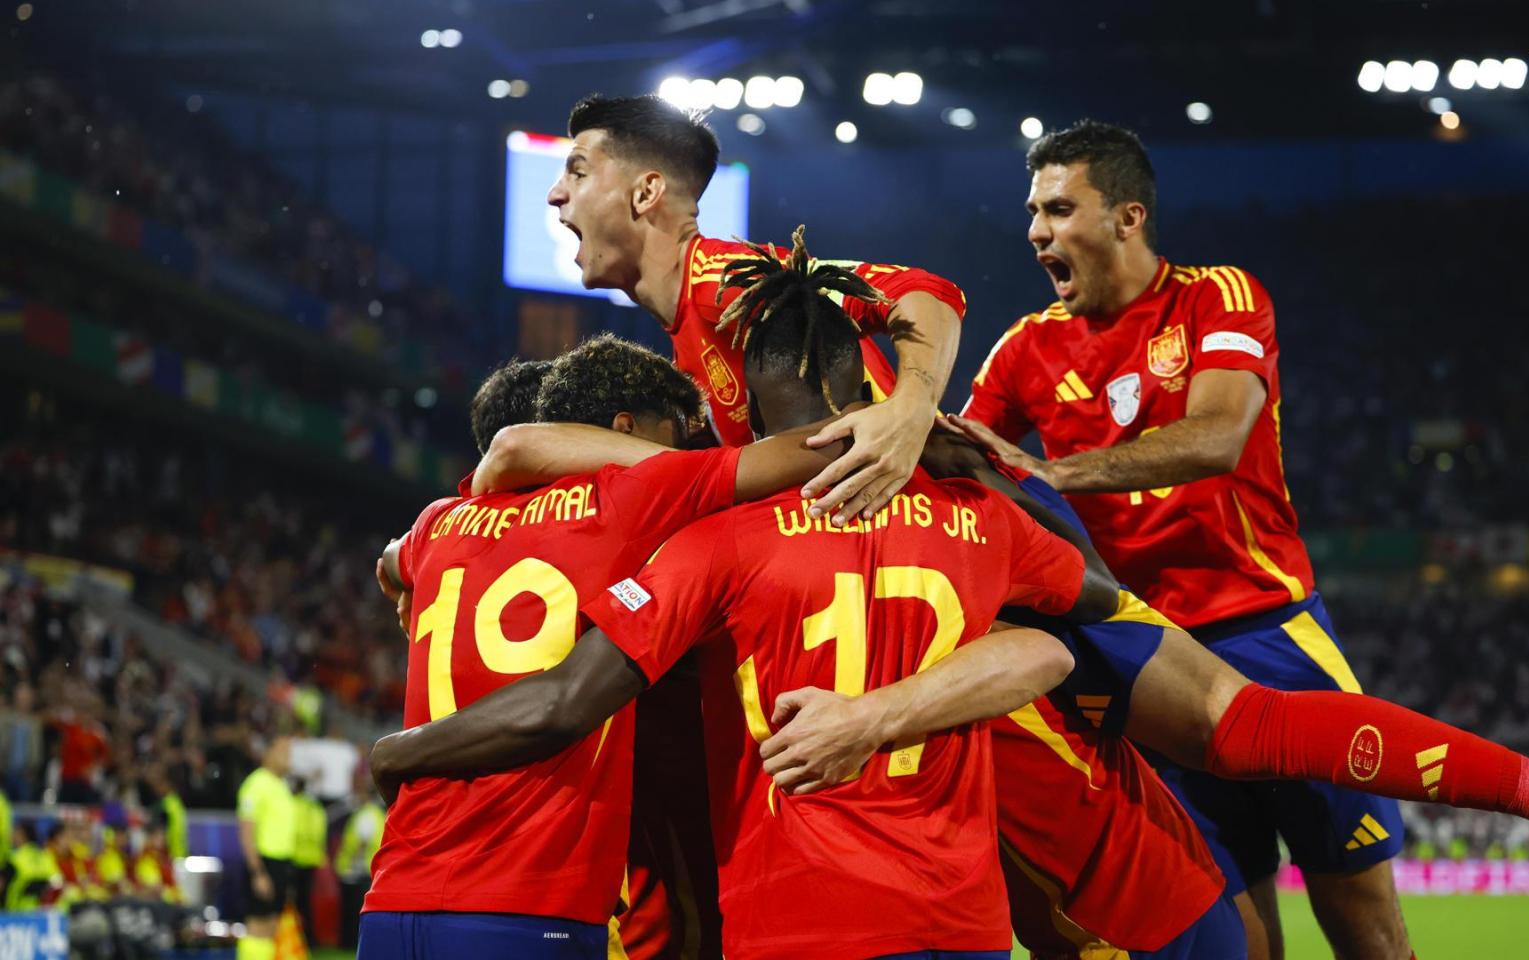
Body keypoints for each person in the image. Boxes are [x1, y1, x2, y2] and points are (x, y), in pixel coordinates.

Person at [950, 119, 1529, 959]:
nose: (1036, 231)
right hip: (1154, 665)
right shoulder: (1024, 348)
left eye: (1058, 208)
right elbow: (976, 469)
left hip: (1267, 632)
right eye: (1032, 211)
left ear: (1127, 217)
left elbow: (1218, 436)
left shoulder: (1215, 297)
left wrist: (1052, 473)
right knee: (1239, 938)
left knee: (1365, 930)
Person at [368, 248, 1115, 959]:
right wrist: (961, 454)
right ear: (863, 394)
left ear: (750, 410)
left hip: (792, 914)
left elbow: (560, 692)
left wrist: (401, 740)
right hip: (960, 916)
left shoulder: (702, 543)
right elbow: (1094, 593)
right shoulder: (976, 520)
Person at [358, 336, 920, 959]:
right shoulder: (628, 500)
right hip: (528, 896)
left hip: (396, 890)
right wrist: (915, 415)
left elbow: (396, 554)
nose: (688, 447)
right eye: (678, 431)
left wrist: (398, 576)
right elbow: (805, 450)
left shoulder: (438, 522)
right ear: (629, 428)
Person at [542, 93, 967, 521]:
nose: (555, 194)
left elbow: (925, 290)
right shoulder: (687, 325)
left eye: (577, 172)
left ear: (647, 191)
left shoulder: (725, 280)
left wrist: (912, 409)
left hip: (919, 534)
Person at [236, 736, 297, 960]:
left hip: (282, 863)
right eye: (284, 752)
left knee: (273, 924)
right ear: (268, 753)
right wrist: (257, 872)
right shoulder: (256, 784)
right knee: (258, 924)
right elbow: (246, 831)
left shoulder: (282, 785)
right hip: (264, 862)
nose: (289, 758)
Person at [335, 775, 385, 948]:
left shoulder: (366, 815)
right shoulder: (377, 814)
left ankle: (349, 943)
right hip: (369, 869)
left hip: (358, 871)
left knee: (352, 911)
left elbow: (362, 844)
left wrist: (352, 865)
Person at [290, 776, 327, 947]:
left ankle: (294, 939)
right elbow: (319, 833)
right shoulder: (315, 807)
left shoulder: (292, 805)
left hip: (294, 859)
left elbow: (291, 832)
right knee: (306, 903)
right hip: (311, 859)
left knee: (293, 902)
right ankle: (309, 940)